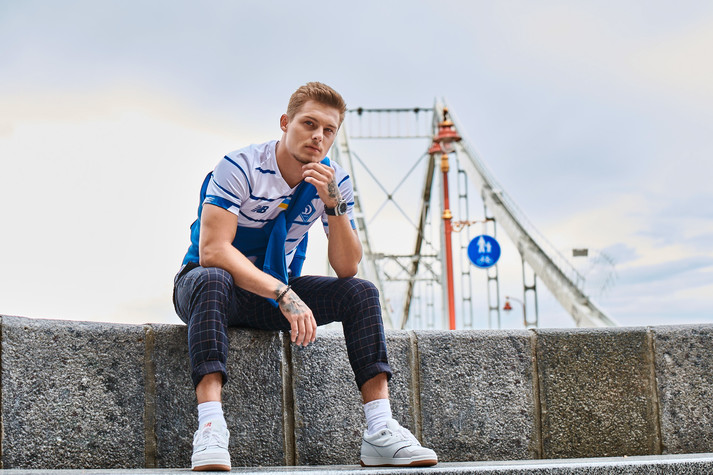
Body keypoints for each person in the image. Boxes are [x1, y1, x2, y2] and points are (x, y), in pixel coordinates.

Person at [173, 82, 438, 471]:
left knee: (361, 292)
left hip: (270, 295)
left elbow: (346, 267)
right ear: (286, 123)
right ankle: (211, 426)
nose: (318, 137)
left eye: (329, 130)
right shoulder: (240, 166)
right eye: (309, 124)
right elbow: (214, 250)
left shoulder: (334, 181)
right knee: (214, 277)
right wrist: (283, 293)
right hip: (206, 288)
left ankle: (380, 429)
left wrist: (334, 206)